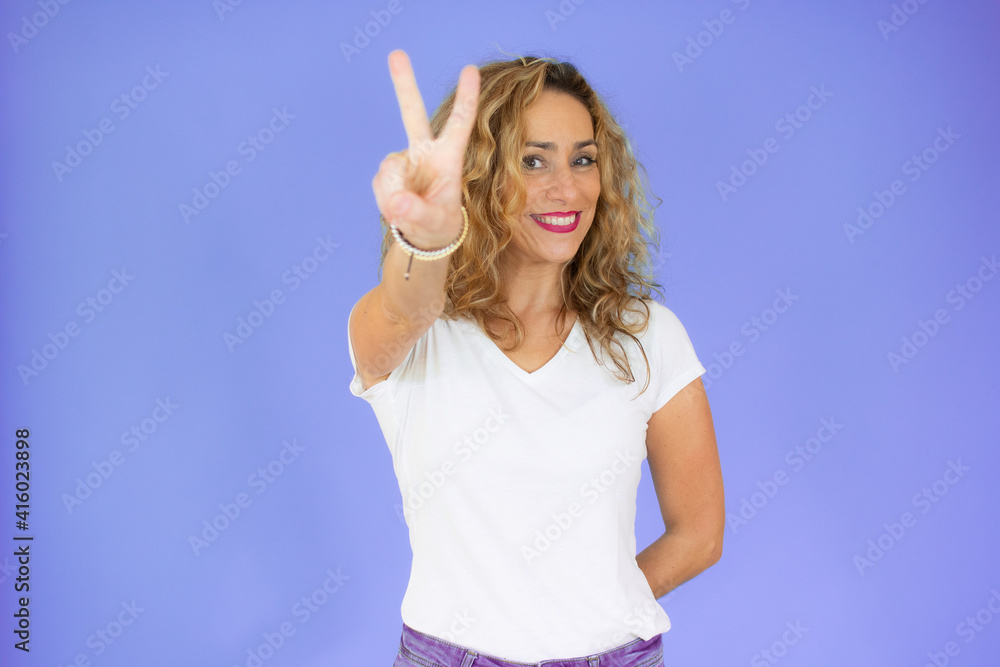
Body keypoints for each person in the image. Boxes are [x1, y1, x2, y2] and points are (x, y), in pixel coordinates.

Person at [347, 49, 724, 667]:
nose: (567, 187)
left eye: (583, 159)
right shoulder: (418, 334)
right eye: (532, 160)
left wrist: (585, 606)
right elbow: (404, 305)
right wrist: (426, 237)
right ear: (478, 173)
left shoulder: (648, 335)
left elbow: (699, 534)